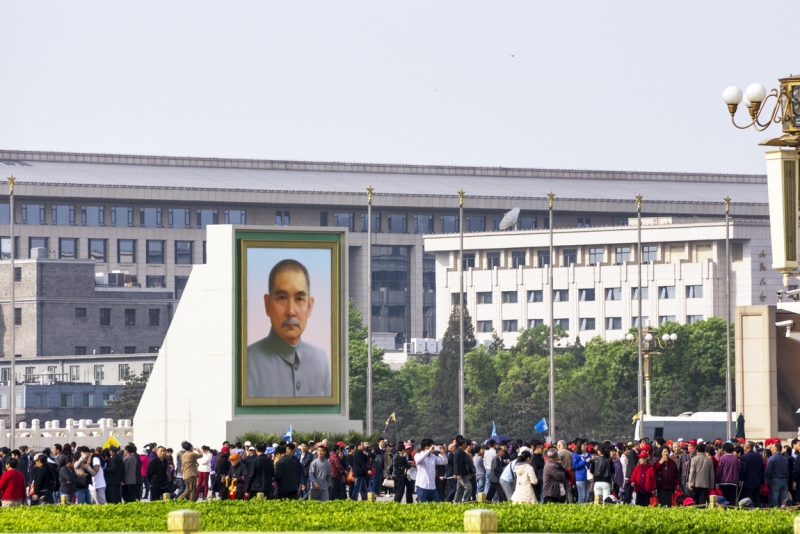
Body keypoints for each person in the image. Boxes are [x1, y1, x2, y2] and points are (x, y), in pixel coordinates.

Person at [247, 259, 331, 398]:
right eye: (282, 298)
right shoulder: (249, 361)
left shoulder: (320, 359)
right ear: (267, 305)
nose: (291, 311)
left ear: (309, 306)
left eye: (299, 299)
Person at [765, 439, 789, 508]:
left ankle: (775, 513)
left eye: (772, 448)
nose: (771, 450)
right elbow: (787, 471)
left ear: (775, 450)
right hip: (784, 480)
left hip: (775, 480)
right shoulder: (785, 459)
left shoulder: (772, 458)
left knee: (774, 499)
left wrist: (766, 477)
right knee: (783, 499)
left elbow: (768, 470)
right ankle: (783, 512)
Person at [453, 437, 472, 503]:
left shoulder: (461, 452)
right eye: (465, 444)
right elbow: (457, 464)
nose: (466, 445)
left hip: (463, 473)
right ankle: (465, 500)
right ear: (463, 444)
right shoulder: (458, 452)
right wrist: (458, 473)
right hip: (461, 474)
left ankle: (456, 501)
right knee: (469, 487)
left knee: (460, 489)